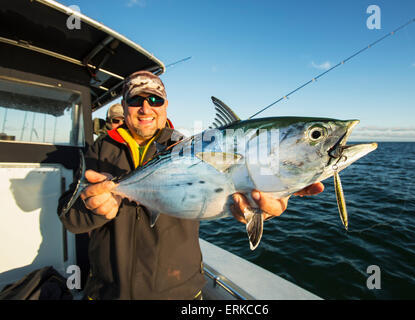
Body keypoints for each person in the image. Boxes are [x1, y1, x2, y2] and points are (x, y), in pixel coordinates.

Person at [58, 70, 324, 300]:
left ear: (166, 105)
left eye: (155, 100)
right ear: (124, 104)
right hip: (108, 292)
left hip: (180, 292)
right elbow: (69, 219)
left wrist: (264, 195)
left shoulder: (187, 147)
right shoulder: (97, 151)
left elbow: (226, 185)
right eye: (135, 100)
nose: (146, 108)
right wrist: (92, 208)